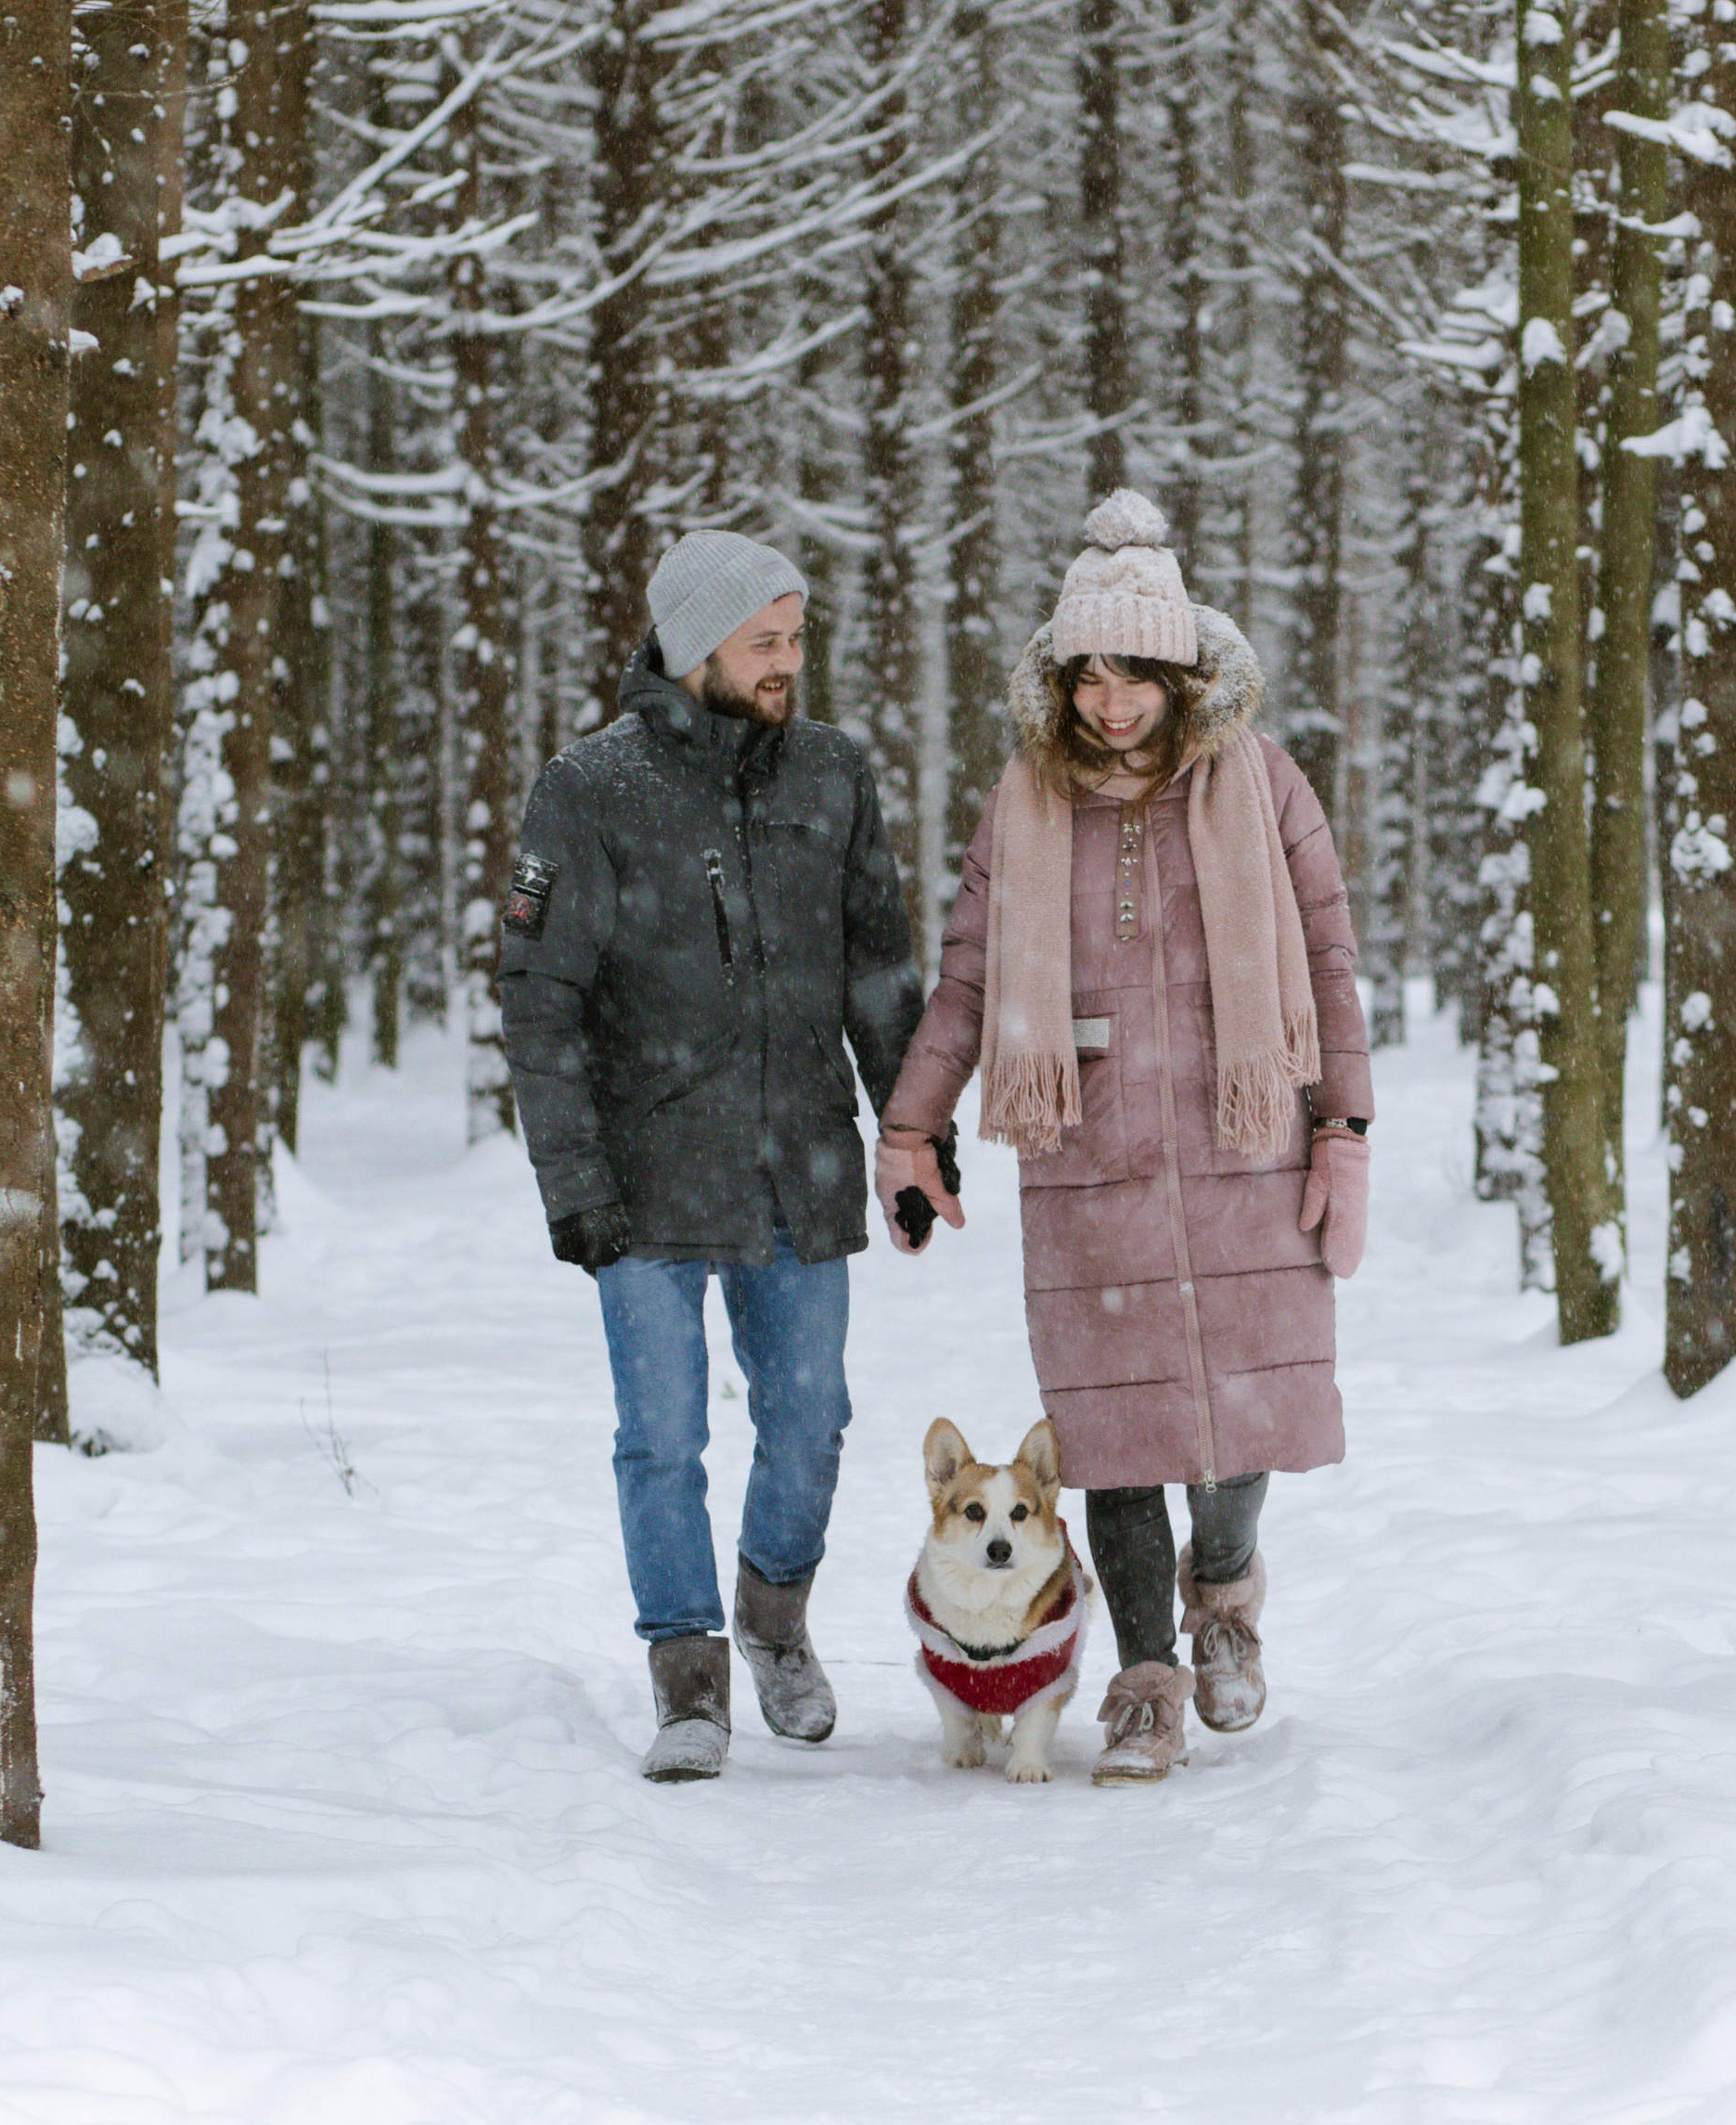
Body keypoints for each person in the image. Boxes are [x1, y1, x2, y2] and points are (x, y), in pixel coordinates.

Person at [876, 489, 1371, 1786]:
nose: (1109, 702)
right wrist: (913, 1124)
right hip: (1090, 1151)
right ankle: (1145, 1680)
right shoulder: (1026, 802)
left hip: (1243, 1133)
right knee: (1116, 1434)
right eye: (1088, 674)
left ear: (1182, 669)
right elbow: (974, 978)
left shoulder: (1261, 783)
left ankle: (1226, 1604)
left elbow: (1326, 952)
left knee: (1243, 1416)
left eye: (1135, 674)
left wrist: (1347, 1127)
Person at [499, 529, 924, 1782]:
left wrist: (912, 1129)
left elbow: (878, 974)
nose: (792, 662)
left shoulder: (835, 778)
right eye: (767, 642)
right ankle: (688, 1675)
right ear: (697, 650)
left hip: (800, 1163)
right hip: (643, 1183)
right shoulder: (587, 792)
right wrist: (573, 1185)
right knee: (662, 1435)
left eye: (798, 638)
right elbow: (540, 1001)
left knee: (811, 1421)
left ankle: (776, 1615)